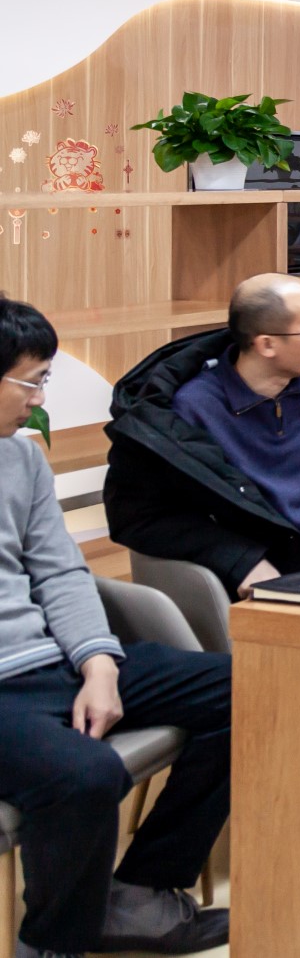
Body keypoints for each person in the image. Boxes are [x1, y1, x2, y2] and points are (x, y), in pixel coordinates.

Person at [0, 297, 233, 957]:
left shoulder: (19, 461)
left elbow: (60, 574)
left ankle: (138, 894)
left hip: (50, 660)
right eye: (32, 381)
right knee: (86, 775)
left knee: (247, 688)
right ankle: (52, 943)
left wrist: (98, 661)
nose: (39, 400)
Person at [105, 272, 300, 600]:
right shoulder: (183, 414)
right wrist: (239, 560)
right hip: (262, 579)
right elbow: (136, 516)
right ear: (266, 344)